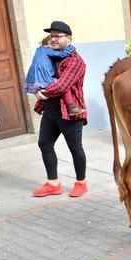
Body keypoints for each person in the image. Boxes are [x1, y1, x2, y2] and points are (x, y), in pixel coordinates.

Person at [31, 21, 87, 198]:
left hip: (70, 112)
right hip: (50, 110)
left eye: (57, 36)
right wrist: (36, 88)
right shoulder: (49, 55)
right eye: (51, 36)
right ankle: (53, 183)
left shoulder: (76, 61)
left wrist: (41, 92)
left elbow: (62, 86)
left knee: (75, 148)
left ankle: (81, 183)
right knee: (44, 144)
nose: (53, 39)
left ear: (69, 38)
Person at [24, 36, 83, 116]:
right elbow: (62, 54)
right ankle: (71, 106)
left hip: (37, 77)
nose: (54, 44)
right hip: (43, 77)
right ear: (47, 44)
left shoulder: (40, 50)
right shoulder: (48, 50)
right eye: (52, 43)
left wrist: (38, 92)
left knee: (54, 86)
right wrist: (71, 48)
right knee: (60, 85)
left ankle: (69, 107)